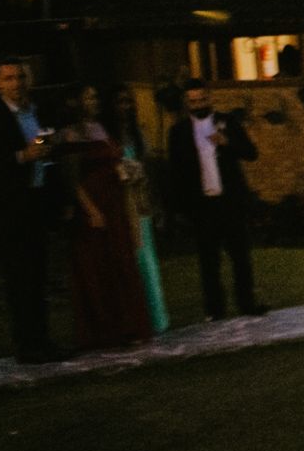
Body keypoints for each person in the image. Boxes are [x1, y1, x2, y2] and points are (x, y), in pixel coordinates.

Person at [0, 57, 61, 361]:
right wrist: (21, 157)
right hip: (10, 208)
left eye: (20, 77)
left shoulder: (37, 111)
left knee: (39, 275)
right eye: (9, 78)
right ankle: (26, 343)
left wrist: (46, 151)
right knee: (19, 277)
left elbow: (46, 146)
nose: (16, 84)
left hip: (37, 200)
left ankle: (42, 339)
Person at [58, 84, 154, 351]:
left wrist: (127, 173)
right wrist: (91, 210)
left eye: (95, 96)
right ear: (76, 101)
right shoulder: (70, 133)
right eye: (89, 97)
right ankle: (103, 330)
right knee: (97, 266)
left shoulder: (102, 127)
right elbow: (71, 178)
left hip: (115, 201)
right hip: (93, 204)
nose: (95, 101)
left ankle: (126, 326)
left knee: (120, 262)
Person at [165, 79, 266, 320]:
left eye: (202, 99)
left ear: (209, 98)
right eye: (193, 101)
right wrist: (181, 208)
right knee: (208, 260)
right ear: (186, 103)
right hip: (202, 205)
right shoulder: (178, 132)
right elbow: (176, 172)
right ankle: (215, 309)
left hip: (230, 201)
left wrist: (228, 142)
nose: (198, 105)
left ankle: (247, 303)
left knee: (240, 256)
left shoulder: (227, 122)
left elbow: (251, 153)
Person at [107, 84, 170, 334]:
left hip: (139, 199)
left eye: (128, 102)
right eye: (120, 102)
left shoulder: (137, 133)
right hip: (121, 201)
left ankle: (155, 317)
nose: (126, 107)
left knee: (146, 256)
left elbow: (147, 166)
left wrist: (151, 198)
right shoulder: (109, 136)